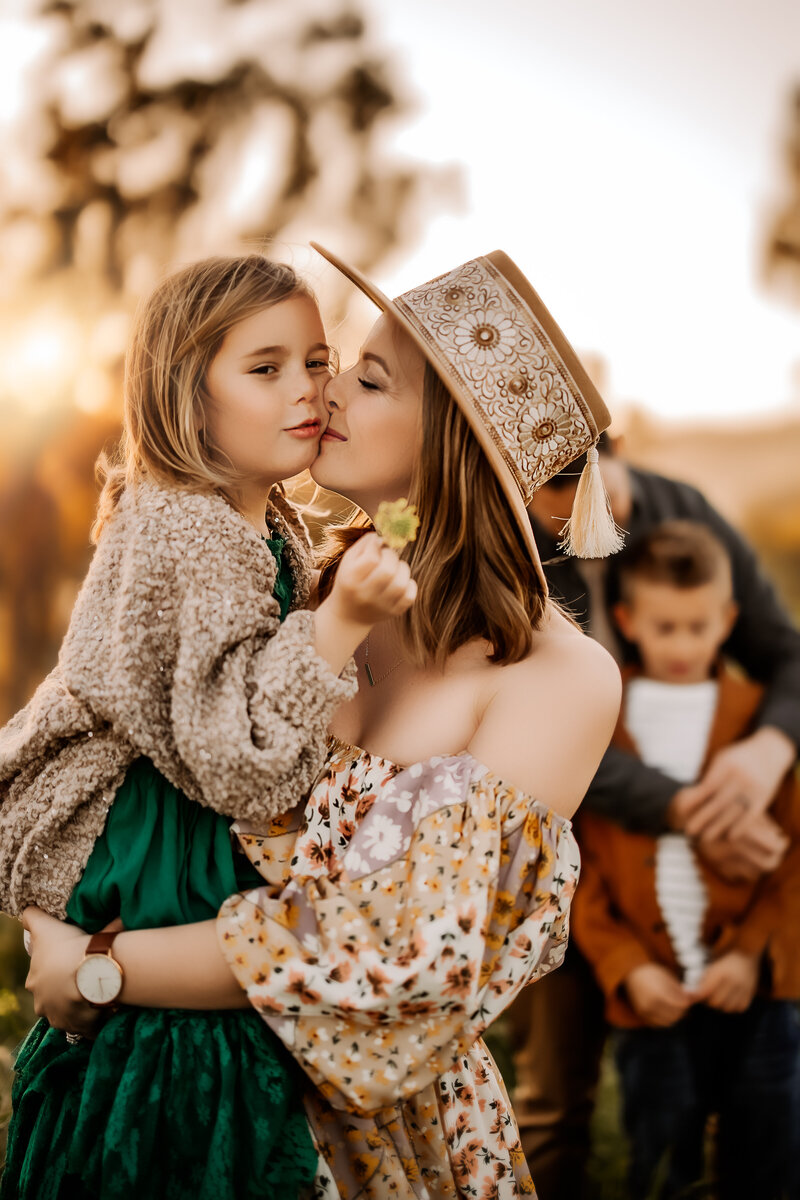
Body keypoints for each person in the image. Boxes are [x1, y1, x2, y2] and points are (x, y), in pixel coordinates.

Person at [22, 244, 622, 1199]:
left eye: (369, 378)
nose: (327, 388)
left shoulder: (560, 677)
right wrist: (45, 906)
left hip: (366, 1144)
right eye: (337, 362)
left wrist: (100, 966)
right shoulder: (304, 580)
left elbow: (391, 958)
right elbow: (117, 746)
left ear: (452, 438)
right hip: (174, 1082)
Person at [0, 254, 416, 1200]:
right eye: (263, 369)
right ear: (187, 397)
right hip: (165, 866)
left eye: (317, 360)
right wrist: (341, 623)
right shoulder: (191, 528)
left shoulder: (259, 520)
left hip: (184, 867)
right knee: (175, 1114)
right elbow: (241, 769)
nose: (309, 388)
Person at [507, 433, 800, 1197]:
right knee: (553, 1096)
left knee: (731, 1103)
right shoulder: (505, 544)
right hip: (559, 849)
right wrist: (689, 811)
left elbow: (786, 654)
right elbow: (540, 729)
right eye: (550, 492)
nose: (577, 511)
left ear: (618, 446)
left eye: (590, 479)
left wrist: (770, 748)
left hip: (692, 884)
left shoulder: (683, 513)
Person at [571, 519, 800, 1199]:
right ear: (626, 619)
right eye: (664, 627)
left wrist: (749, 952)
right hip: (653, 1003)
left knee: (769, 1160)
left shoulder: (756, 718)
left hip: (757, 993)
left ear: (728, 619)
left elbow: (792, 864)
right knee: (662, 1167)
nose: (682, 644)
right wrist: (626, 968)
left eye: (698, 627)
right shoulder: (603, 721)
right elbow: (580, 869)